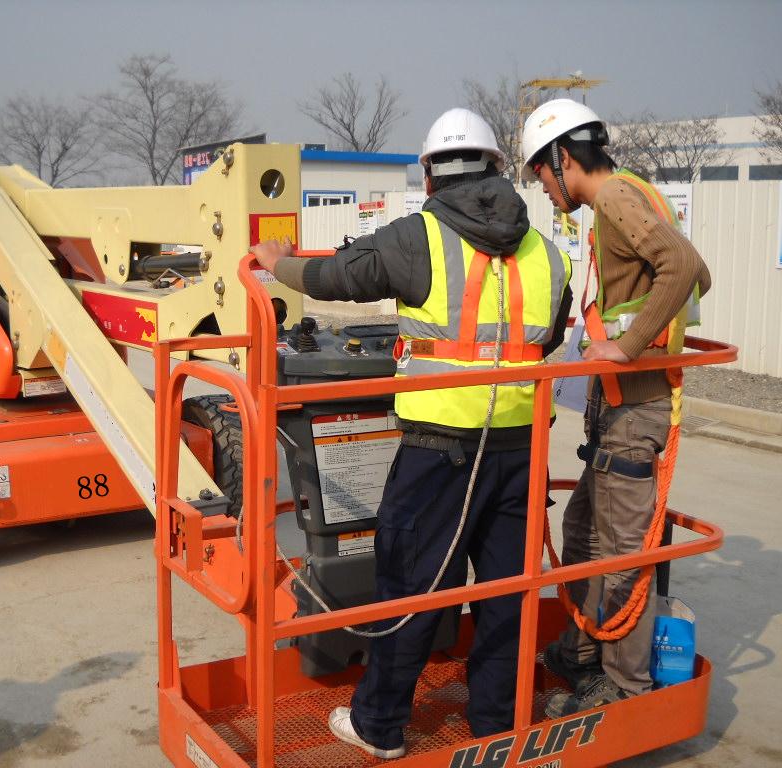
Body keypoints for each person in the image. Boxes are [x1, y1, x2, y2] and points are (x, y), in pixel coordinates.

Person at [251, 107, 572, 758]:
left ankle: (380, 725)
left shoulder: (418, 237)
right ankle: (500, 726)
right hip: (520, 447)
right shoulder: (548, 250)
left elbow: (335, 278)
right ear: (499, 169)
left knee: (410, 587)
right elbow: (550, 334)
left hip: (439, 452)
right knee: (507, 594)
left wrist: (279, 264)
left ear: (429, 174)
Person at [520, 99, 711, 716]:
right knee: (582, 532)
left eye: (540, 176)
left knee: (621, 550)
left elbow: (681, 266)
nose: (544, 190)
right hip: (618, 408)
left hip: (636, 409)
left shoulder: (612, 199)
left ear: (561, 159)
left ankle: (622, 687)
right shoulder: (634, 196)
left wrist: (628, 347)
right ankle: (581, 650)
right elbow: (698, 272)